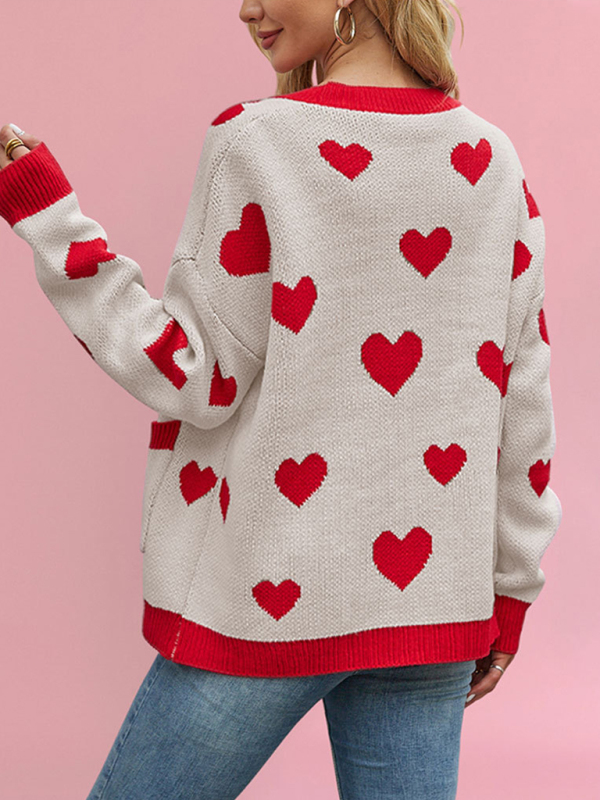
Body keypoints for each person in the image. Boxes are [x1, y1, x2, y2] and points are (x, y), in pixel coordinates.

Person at [0, 0, 562, 798]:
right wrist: (511, 587)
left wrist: (49, 220)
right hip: (434, 602)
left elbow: (192, 376)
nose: (247, 9)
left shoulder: (258, 140)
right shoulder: (491, 159)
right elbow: (522, 394)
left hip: (272, 596)